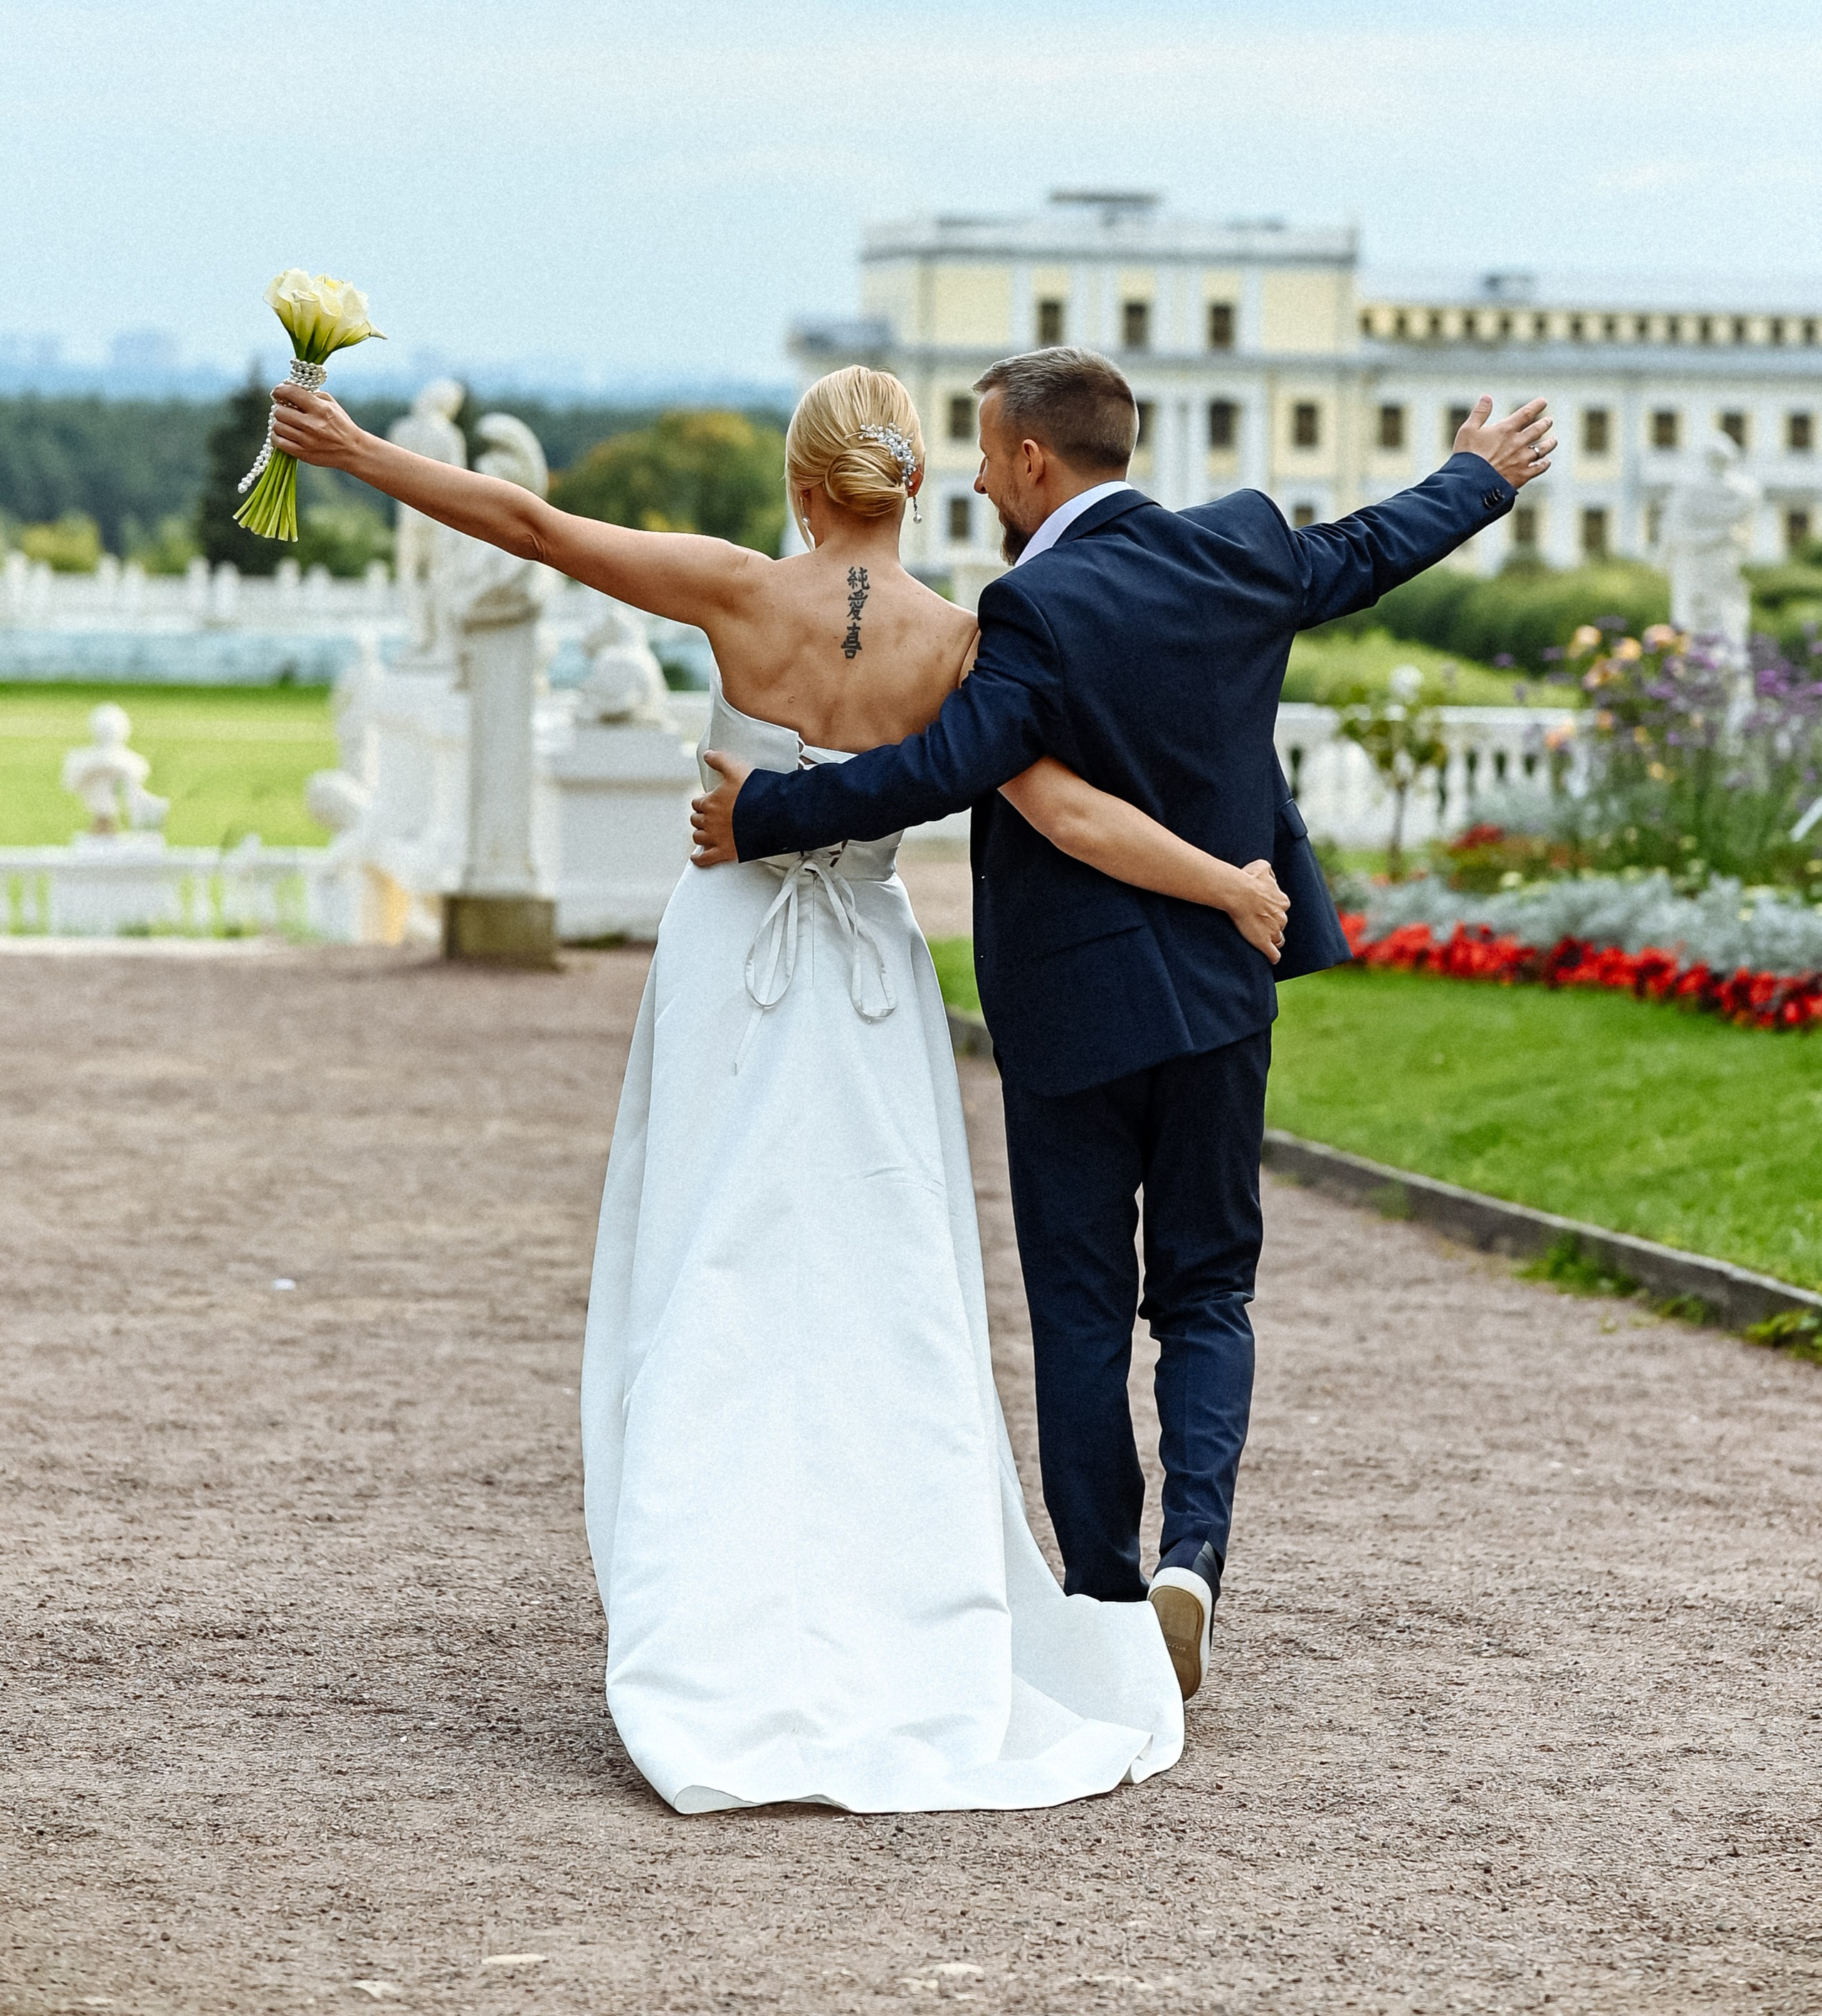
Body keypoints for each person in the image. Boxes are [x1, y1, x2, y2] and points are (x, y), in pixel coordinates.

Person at [265, 364, 1289, 1814]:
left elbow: (529, 524)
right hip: (871, 983)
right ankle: (906, 1603)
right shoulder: (962, 636)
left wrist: (355, 451)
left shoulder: (740, 592)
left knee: (707, 1261)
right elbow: (1061, 807)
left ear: (801, 487)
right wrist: (1227, 885)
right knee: (885, 1287)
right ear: (917, 486)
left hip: (729, 966)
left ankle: (706, 1598)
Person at [690, 347, 1555, 1702]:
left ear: (1035, 462)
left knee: (1082, 1315)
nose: (971, 478)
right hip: (1224, 987)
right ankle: (1191, 1562)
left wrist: (767, 816)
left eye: (982, 454)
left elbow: (940, 769)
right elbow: (1372, 549)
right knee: (1210, 1293)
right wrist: (1480, 476)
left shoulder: (1027, 609)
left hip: (1074, 1009)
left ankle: (1102, 1599)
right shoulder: (1244, 551)